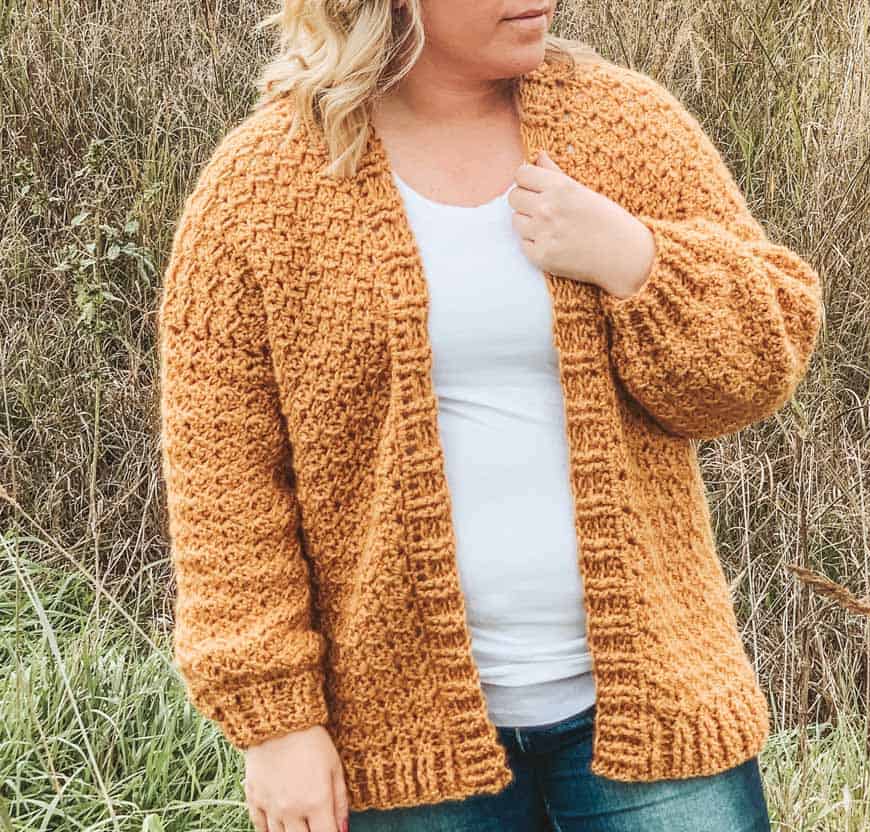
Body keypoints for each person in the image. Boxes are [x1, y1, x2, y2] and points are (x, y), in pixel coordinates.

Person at [156, 1, 825, 830]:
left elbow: (759, 365)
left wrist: (631, 257)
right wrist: (278, 724)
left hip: (654, 717)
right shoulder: (259, 188)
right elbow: (224, 482)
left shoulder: (623, 125)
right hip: (402, 745)